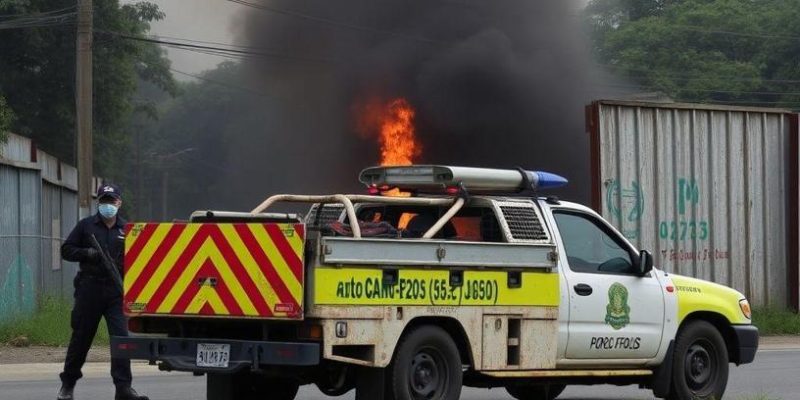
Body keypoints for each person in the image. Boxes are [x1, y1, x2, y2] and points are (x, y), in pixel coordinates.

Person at [57, 184, 148, 400]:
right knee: (81, 338)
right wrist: (87, 253)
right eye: (105, 200)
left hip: (116, 291)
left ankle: (123, 388)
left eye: (112, 200)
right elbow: (66, 250)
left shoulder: (128, 229)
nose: (108, 205)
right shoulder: (86, 226)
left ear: (119, 203)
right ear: (99, 202)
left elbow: (140, 259)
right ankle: (67, 385)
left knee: (121, 340)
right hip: (90, 289)